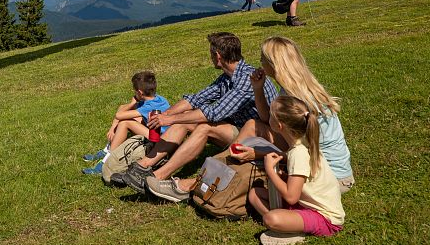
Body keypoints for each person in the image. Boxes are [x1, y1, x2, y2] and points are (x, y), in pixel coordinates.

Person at [117, 32, 278, 199]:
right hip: (242, 127)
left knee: (205, 126)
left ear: (217, 56)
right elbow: (196, 99)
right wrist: (165, 115)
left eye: (210, 53)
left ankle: (157, 177)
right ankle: (143, 167)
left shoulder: (245, 78)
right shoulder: (227, 77)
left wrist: (170, 119)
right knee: (186, 117)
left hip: (260, 136)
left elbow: (215, 113)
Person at [229, 36, 354, 192]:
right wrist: (257, 89)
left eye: (263, 59)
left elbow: (301, 153)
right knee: (252, 125)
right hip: (329, 169)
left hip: (329, 178)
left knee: (260, 189)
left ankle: (222, 171)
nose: (260, 62)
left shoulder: (298, 99)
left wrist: (257, 154)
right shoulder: (295, 88)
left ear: (274, 64)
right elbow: (268, 119)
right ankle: (224, 166)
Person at [248, 95, 344, 245]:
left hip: (325, 218)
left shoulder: (297, 153)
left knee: (270, 219)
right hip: (306, 204)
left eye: (271, 115)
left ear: (279, 126)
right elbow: (304, 180)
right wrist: (284, 176)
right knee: (255, 194)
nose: (268, 116)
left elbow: (291, 197)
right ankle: (289, 225)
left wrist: (270, 171)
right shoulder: (303, 142)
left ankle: (291, 231)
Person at [81, 71, 170, 175]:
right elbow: (121, 108)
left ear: (140, 93)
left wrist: (132, 103)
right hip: (159, 133)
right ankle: (107, 150)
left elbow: (119, 115)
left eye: (135, 91)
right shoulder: (158, 98)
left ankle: (106, 161)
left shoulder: (148, 106)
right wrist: (112, 129)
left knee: (125, 123)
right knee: (131, 119)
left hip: (159, 138)